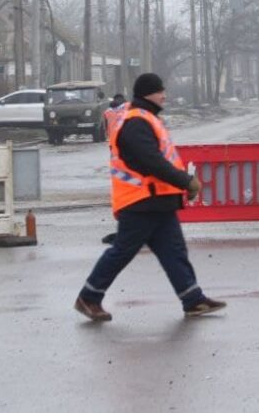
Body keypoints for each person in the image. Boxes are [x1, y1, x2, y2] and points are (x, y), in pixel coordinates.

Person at [75, 73, 226, 322]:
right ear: (148, 93)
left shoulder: (147, 119)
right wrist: (184, 180)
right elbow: (151, 161)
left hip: (157, 201)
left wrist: (179, 186)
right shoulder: (136, 123)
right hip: (140, 201)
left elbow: (159, 160)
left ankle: (193, 300)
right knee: (122, 251)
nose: (164, 95)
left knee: (174, 251)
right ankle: (88, 297)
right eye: (160, 91)